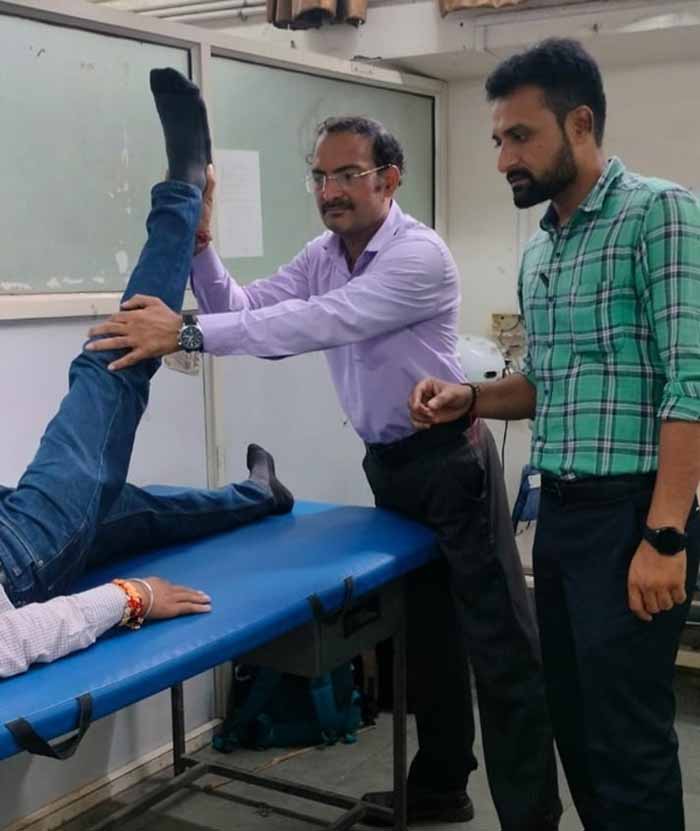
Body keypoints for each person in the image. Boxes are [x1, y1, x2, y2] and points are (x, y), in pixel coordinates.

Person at [88, 115, 560, 830]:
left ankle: (532, 818)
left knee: (501, 644)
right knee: (427, 635)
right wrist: (203, 251)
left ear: (388, 179)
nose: (330, 190)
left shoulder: (417, 255)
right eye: (319, 176)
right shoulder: (325, 253)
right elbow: (246, 312)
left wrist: (182, 331)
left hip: (449, 461)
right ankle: (441, 788)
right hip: (391, 466)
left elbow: (317, 324)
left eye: (347, 174)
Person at [410, 38, 700, 831]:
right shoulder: (541, 247)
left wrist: (666, 534)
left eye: (520, 135)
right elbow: (544, 382)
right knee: (574, 722)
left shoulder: (659, 215)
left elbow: (691, 384)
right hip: (562, 518)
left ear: (580, 124)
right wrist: (469, 398)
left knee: (627, 739)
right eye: (497, 139)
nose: (504, 156)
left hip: (635, 514)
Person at [0, 68, 292, 680]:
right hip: (20, 556)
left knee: (139, 512)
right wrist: (133, 597)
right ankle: (184, 184)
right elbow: (12, 641)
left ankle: (260, 497)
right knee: (111, 363)